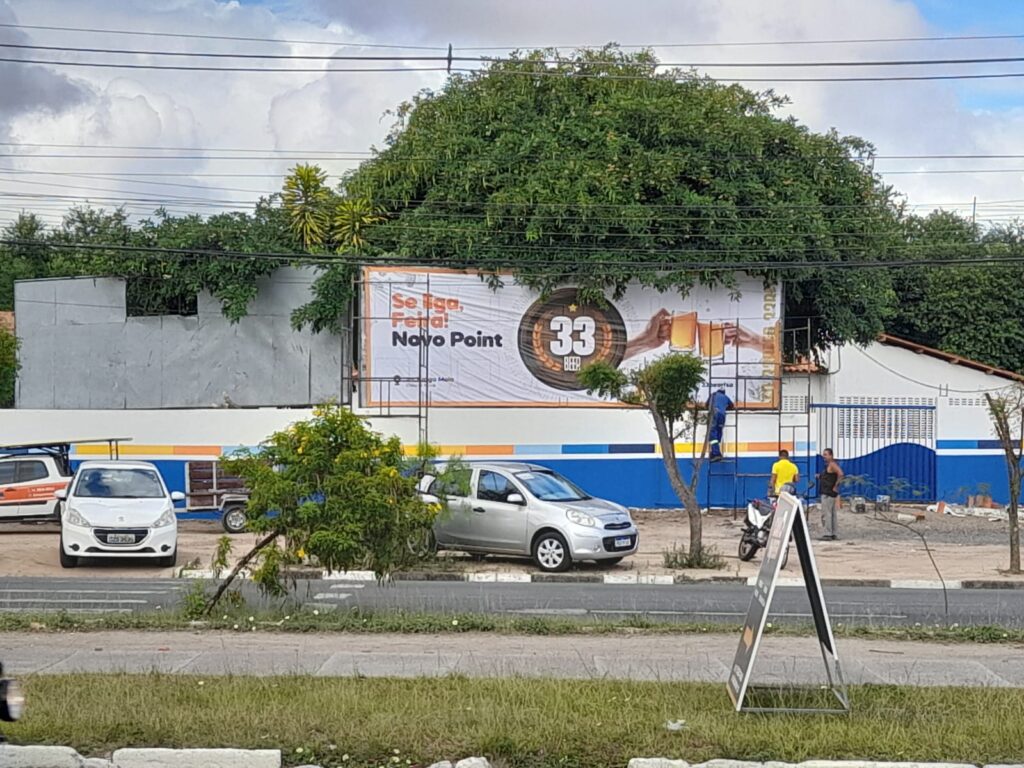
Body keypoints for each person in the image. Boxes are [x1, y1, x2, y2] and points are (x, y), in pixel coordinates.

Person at [818, 448, 844, 540]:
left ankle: (827, 533)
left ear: (831, 455)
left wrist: (836, 486)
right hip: (829, 492)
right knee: (832, 513)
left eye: (825, 454)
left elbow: (841, 474)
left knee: (826, 513)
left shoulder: (832, 464)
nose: (824, 457)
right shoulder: (829, 466)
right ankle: (833, 533)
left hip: (828, 492)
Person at [708, 386, 733, 462]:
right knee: (719, 432)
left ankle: (716, 453)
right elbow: (732, 405)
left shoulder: (713, 395)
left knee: (712, 434)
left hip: (714, 413)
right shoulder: (725, 397)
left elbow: (706, 404)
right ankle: (715, 452)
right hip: (722, 415)